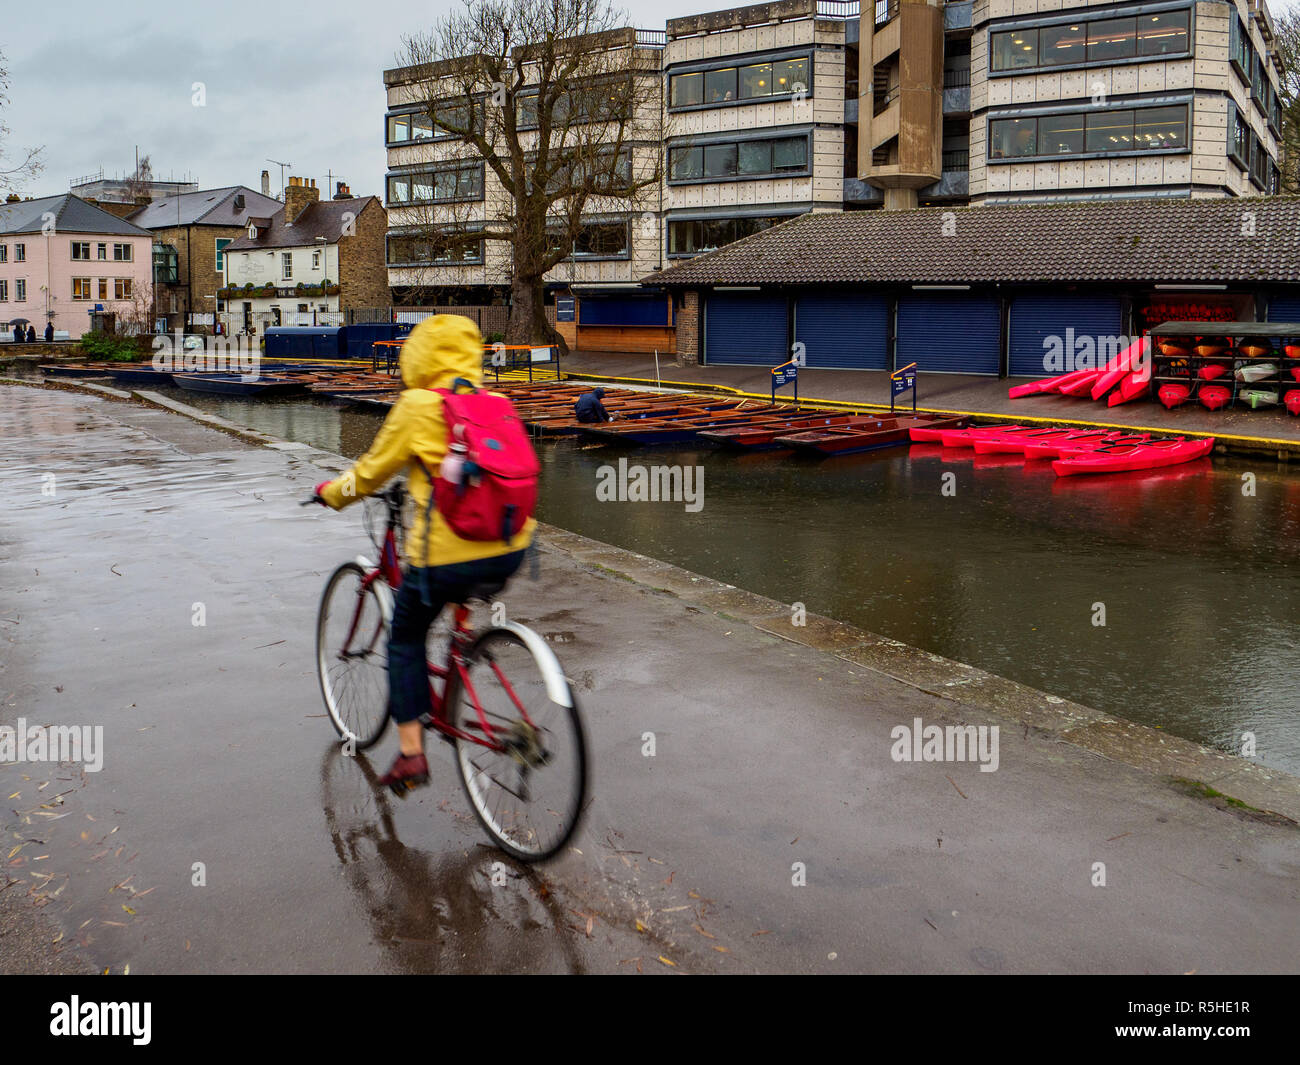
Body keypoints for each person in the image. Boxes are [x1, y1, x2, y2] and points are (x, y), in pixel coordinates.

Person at [313, 315, 534, 793]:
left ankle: (412, 755)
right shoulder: (496, 401)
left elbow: (370, 475)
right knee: (458, 591)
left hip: (448, 556)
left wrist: (330, 492)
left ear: (418, 357)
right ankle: (465, 653)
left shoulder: (417, 405)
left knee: (405, 635)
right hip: (512, 547)